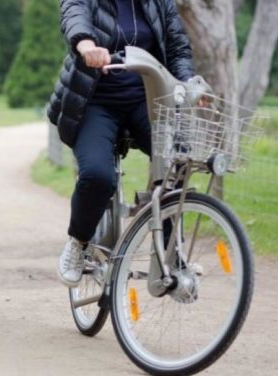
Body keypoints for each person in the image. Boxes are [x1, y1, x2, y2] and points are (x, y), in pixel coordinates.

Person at [47, 0, 196, 287]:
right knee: (98, 176)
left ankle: (169, 255)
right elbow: (74, 15)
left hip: (147, 101)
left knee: (178, 163)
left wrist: (188, 82)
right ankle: (78, 243)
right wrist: (86, 45)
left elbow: (177, 47)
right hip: (94, 102)